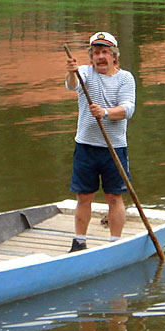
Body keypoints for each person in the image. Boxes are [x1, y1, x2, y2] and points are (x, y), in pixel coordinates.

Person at [64, 31, 136, 252]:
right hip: (86, 146)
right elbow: (72, 85)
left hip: (114, 148)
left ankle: (115, 243)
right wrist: (71, 72)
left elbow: (127, 110)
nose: (100, 57)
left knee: (114, 196)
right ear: (91, 57)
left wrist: (104, 112)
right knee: (83, 196)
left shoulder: (125, 78)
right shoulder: (84, 73)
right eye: (96, 53)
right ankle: (79, 242)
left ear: (114, 56)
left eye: (105, 52)